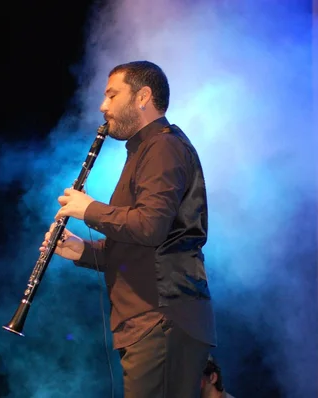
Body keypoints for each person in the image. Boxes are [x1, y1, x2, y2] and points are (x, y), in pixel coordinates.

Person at [40, 60, 217, 397]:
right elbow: (140, 246)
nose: (102, 106)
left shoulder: (163, 147)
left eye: (111, 94)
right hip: (150, 320)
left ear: (142, 96)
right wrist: (82, 250)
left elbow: (149, 227)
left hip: (160, 316)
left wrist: (88, 209)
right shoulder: (144, 151)